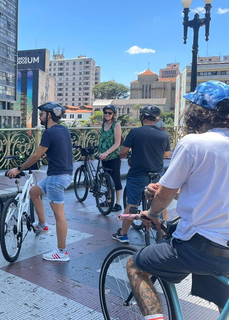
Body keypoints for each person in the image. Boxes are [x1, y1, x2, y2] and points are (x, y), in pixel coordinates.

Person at [126, 81, 229, 319]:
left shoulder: (194, 143)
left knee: (136, 265)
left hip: (200, 247)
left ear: (198, 111)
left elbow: (164, 195)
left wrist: (151, 213)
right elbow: (213, 190)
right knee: (219, 293)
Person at [7, 102, 73, 262]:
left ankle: (62, 251)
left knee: (59, 216)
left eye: (42, 114)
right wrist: (49, 154)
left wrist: (19, 168)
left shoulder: (49, 133)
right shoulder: (63, 130)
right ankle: (42, 225)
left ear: (49, 115)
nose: (40, 117)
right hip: (62, 175)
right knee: (33, 192)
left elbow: (36, 155)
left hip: (56, 178)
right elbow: (59, 149)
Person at [112, 105, 170, 243]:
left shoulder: (135, 132)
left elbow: (123, 151)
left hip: (137, 174)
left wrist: (130, 156)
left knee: (131, 205)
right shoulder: (164, 134)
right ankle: (165, 233)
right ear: (156, 119)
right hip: (156, 174)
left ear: (142, 117)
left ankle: (123, 234)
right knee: (160, 203)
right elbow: (167, 154)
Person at [98, 104, 123, 212]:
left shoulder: (116, 125)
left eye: (110, 113)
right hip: (104, 157)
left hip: (113, 156)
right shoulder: (103, 124)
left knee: (115, 179)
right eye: (106, 112)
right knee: (107, 179)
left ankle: (117, 203)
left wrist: (107, 152)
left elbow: (117, 143)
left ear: (113, 114)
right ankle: (108, 200)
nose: (107, 115)